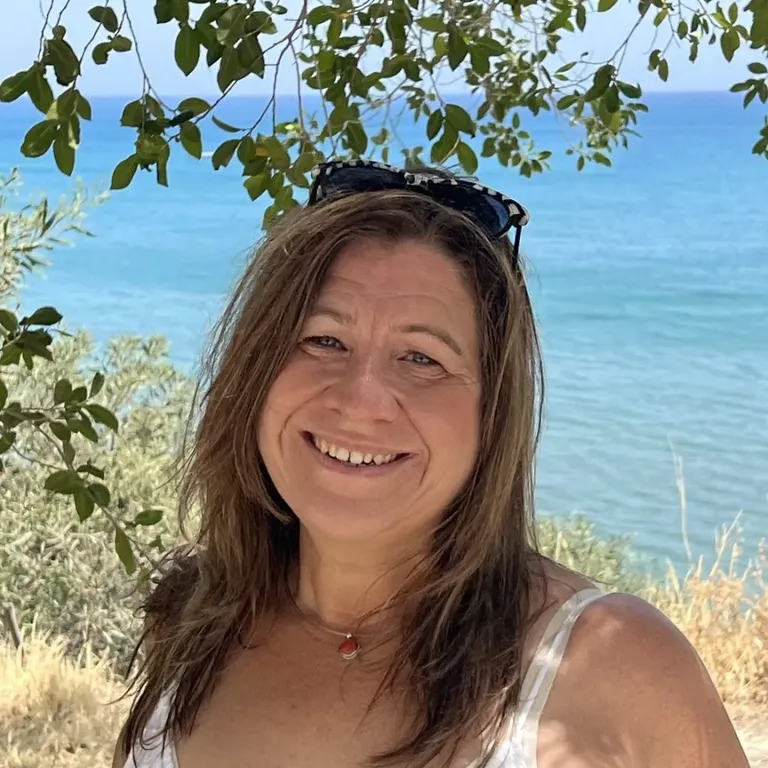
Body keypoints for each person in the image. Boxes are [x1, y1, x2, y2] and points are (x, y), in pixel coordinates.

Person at [113, 160, 748, 768]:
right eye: (323, 340)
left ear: (489, 416)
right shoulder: (196, 621)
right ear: (255, 374)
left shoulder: (612, 666)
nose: (361, 400)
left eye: (421, 358)